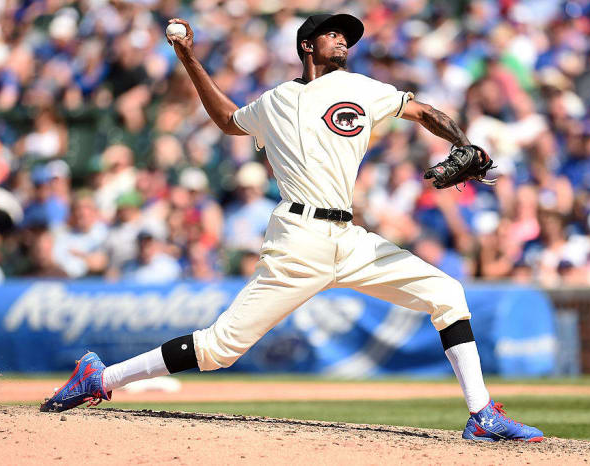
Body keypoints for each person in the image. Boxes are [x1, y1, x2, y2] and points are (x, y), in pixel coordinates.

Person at [41, 14, 543, 442]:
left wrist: (464, 143)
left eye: (348, 36)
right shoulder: (275, 100)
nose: (344, 40)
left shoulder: (363, 88)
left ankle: (481, 415)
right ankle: (100, 376)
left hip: (350, 239)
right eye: (333, 34)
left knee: (448, 293)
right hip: (298, 240)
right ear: (307, 45)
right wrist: (188, 57)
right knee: (219, 350)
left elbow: (424, 111)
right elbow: (227, 119)